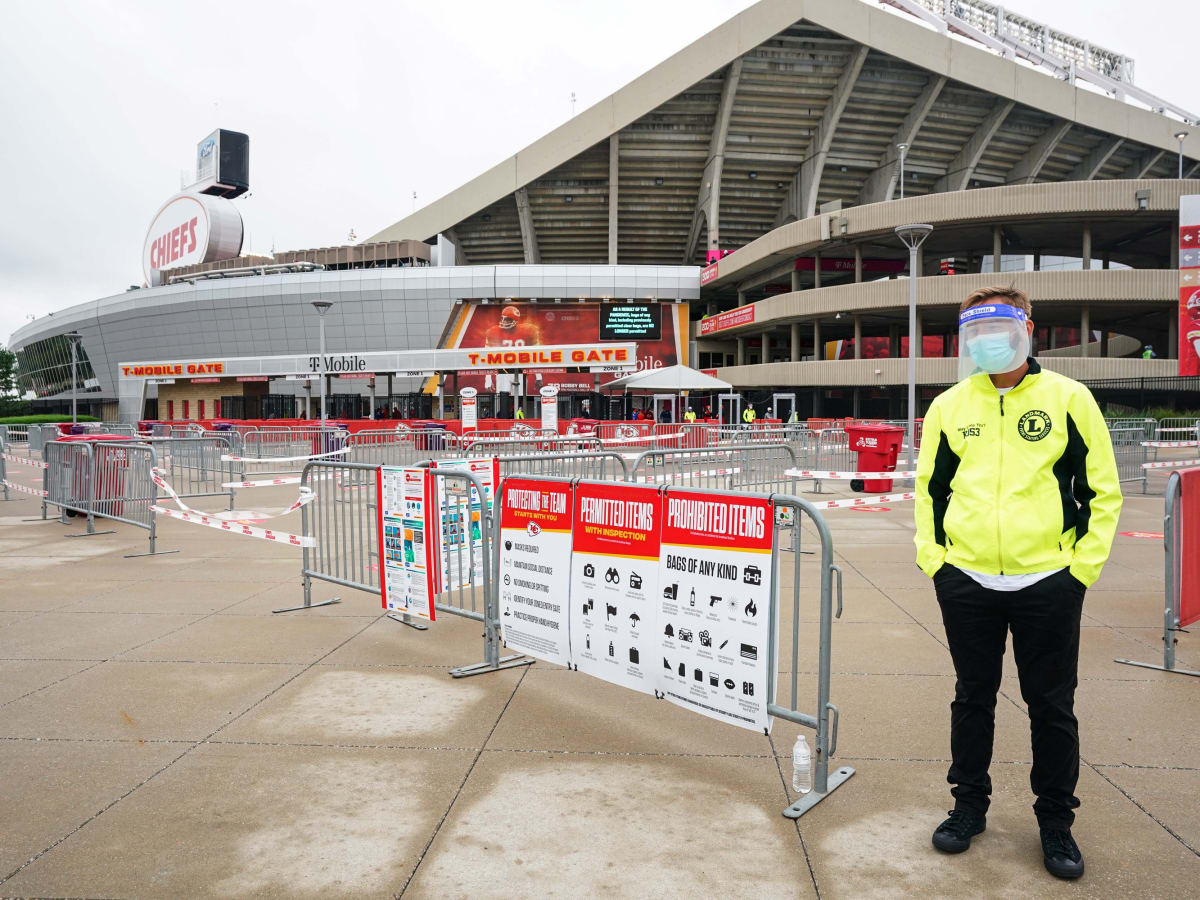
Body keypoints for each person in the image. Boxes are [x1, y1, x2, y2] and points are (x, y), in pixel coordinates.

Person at [914, 286, 1121, 880]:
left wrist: (1080, 571)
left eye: (998, 327)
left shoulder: (1068, 399)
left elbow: (1103, 491)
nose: (987, 340)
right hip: (967, 578)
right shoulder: (950, 406)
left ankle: (1056, 821)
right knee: (972, 696)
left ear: (1027, 328)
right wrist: (936, 561)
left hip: (1049, 579)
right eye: (974, 332)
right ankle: (968, 807)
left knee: (1051, 704)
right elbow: (929, 491)